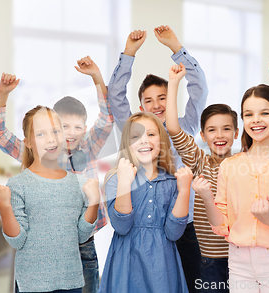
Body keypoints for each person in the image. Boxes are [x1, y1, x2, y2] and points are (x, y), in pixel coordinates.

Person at [0, 56, 113, 293]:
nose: (68, 134)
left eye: (77, 127)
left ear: (84, 129)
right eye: (60, 127)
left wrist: (96, 76)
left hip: (82, 242)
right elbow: (0, 134)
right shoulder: (40, 153)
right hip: (40, 252)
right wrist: (3, 96)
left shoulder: (89, 146)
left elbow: (106, 119)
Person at [166, 61, 269, 292]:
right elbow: (173, 128)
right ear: (202, 134)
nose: (219, 135)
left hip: (243, 255)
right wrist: (174, 83)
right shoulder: (199, 161)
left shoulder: (246, 160)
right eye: (212, 130)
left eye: (226, 129)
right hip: (209, 259)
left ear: (235, 132)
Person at [108, 25, 207, 292]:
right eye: (149, 101)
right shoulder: (134, 130)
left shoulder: (183, 128)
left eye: (163, 97)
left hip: (181, 225)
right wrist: (129, 53)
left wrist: (176, 48)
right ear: (140, 108)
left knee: (190, 283)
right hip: (141, 229)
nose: (157, 105)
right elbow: (115, 97)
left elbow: (199, 90)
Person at [196, 84, 269, 293]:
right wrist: (206, 198)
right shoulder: (229, 166)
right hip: (238, 261)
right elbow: (221, 224)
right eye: (249, 114)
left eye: (264, 113)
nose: (256, 119)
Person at [0, 105, 99, 293]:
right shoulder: (18, 184)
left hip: (71, 282)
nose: (50, 139)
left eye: (56, 131)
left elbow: (81, 236)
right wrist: (4, 206)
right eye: (41, 134)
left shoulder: (78, 183)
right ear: (28, 143)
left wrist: (94, 202)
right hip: (32, 285)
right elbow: (17, 240)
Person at [99, 112, 194, 293]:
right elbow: (121, 226)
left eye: (151, 134)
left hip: (162, 267)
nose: (144, 140)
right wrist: (125, 183)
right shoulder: (116, 178)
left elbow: (174, 233)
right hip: (126, 264)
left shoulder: (172, 182)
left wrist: (184, 191)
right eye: (136, 136)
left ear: (162, 140)